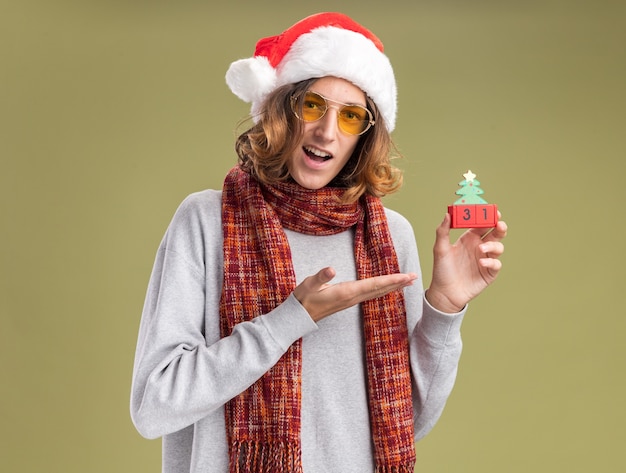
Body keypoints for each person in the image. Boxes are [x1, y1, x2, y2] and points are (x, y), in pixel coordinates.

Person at [130, 11, 507, 473]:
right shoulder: (206, 221)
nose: (327, 131)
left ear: (363, 137)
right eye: (313, 106)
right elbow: (155, 405)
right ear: (281, 108)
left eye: (350, 117)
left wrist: (444, 309)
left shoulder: (389, 237)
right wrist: (289, 320)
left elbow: (405, 422)